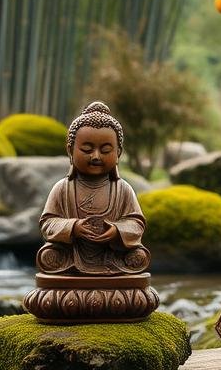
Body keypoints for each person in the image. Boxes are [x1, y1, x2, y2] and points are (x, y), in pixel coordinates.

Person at [37, 101, 149, 275]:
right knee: (48, 256)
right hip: (71, 257)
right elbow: (47, 223)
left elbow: (137, 224)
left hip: (112, 257)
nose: (96, 156)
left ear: (118, 153)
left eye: (105, 150)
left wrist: (117, 231)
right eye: (87, 149)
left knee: (139, 256)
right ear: (70, 150)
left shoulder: (123, 189)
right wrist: (73, 227)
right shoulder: (62, 189)